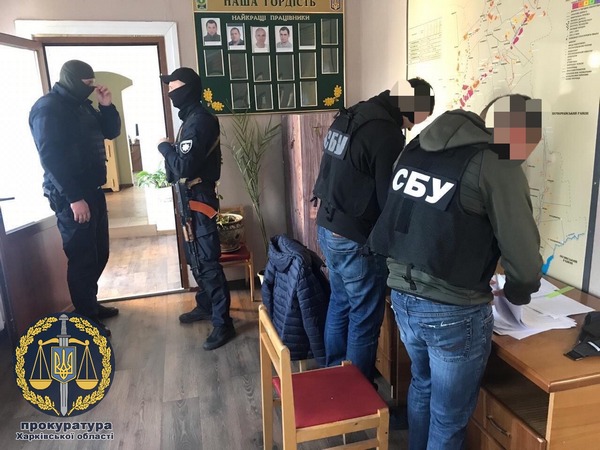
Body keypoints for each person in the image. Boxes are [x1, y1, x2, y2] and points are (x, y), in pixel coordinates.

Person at [367, 94, 543, 449]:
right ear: (519, 134)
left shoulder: (417, 147)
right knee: (448, 418)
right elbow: (524, 263)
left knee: (422, 385)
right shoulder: (497, 161)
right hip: (453, 311)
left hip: (402, 295)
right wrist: (516, 295)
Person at [312, 78, 435, 382]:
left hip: (327, 225)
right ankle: (356, 394)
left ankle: (333, 380)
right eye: (421, 117)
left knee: (340, 303)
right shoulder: (387, 133)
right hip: (355, 238)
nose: (416, 125)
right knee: (364, 318)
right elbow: (388, 200)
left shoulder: (354, 114)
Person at [29, 59, 121, 336]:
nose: (91, 87)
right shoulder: (48, 108)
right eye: (87, 83)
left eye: (92, 83)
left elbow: (111, 132)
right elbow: (50, 157)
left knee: (99, 253)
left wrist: (106, 105)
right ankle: (86, 320)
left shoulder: (83, 105)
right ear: (71, 80)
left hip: (93, 191)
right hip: (72, 198)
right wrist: (74, 198)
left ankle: (89, 304)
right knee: (82, 258)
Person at [158, 67, 235, 351]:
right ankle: (206, 305)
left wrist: (164, 148)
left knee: (207, 261)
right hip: (188, 197)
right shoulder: (190, 119)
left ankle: (223, 322)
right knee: (194, 257)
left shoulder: (199, 121)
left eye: (173, 86)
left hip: (199, 197)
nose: (170, 92)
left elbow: (183, 166)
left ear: (188, 88)